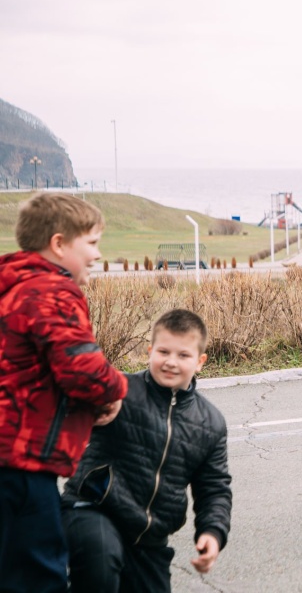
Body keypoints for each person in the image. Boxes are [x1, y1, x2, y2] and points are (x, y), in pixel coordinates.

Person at [0, 193, 127, 592]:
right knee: (39, 576)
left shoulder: (11, 287)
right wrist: (114, 392)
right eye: (91, 242)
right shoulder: (52, 291)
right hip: (22, 461)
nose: (97, 254)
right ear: (58, 244)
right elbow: (82, 369)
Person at [62, 309, 232, 592]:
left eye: (183, 355)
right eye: (163, 352)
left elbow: (214, 487)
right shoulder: (120, 391)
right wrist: (93, 402)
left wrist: (212, 533)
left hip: (149, 537)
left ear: (200, 362)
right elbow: (69, 402)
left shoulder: (210, 423)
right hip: (93, 511)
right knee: (100, 562)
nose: (171, 362)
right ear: (150, 351)